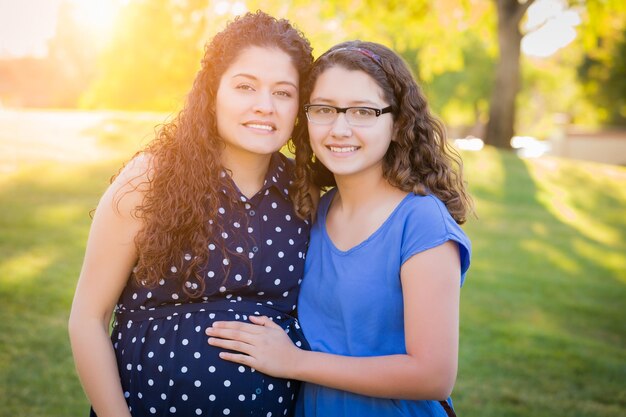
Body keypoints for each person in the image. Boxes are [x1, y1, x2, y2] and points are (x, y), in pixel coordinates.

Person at [205, 40, 473, 417]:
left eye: (363, 111)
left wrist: (293, 362)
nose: (340, 128)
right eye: (325, 109)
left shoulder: (421, 223)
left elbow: (433, 375)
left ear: (397, 124)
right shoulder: (316, 210)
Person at [68, 11, 314, 417]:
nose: (264, 106)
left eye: (283, 93)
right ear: (212, 92)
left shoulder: (304, 194)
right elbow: (87, 319)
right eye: (245, 87)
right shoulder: (151, 177)